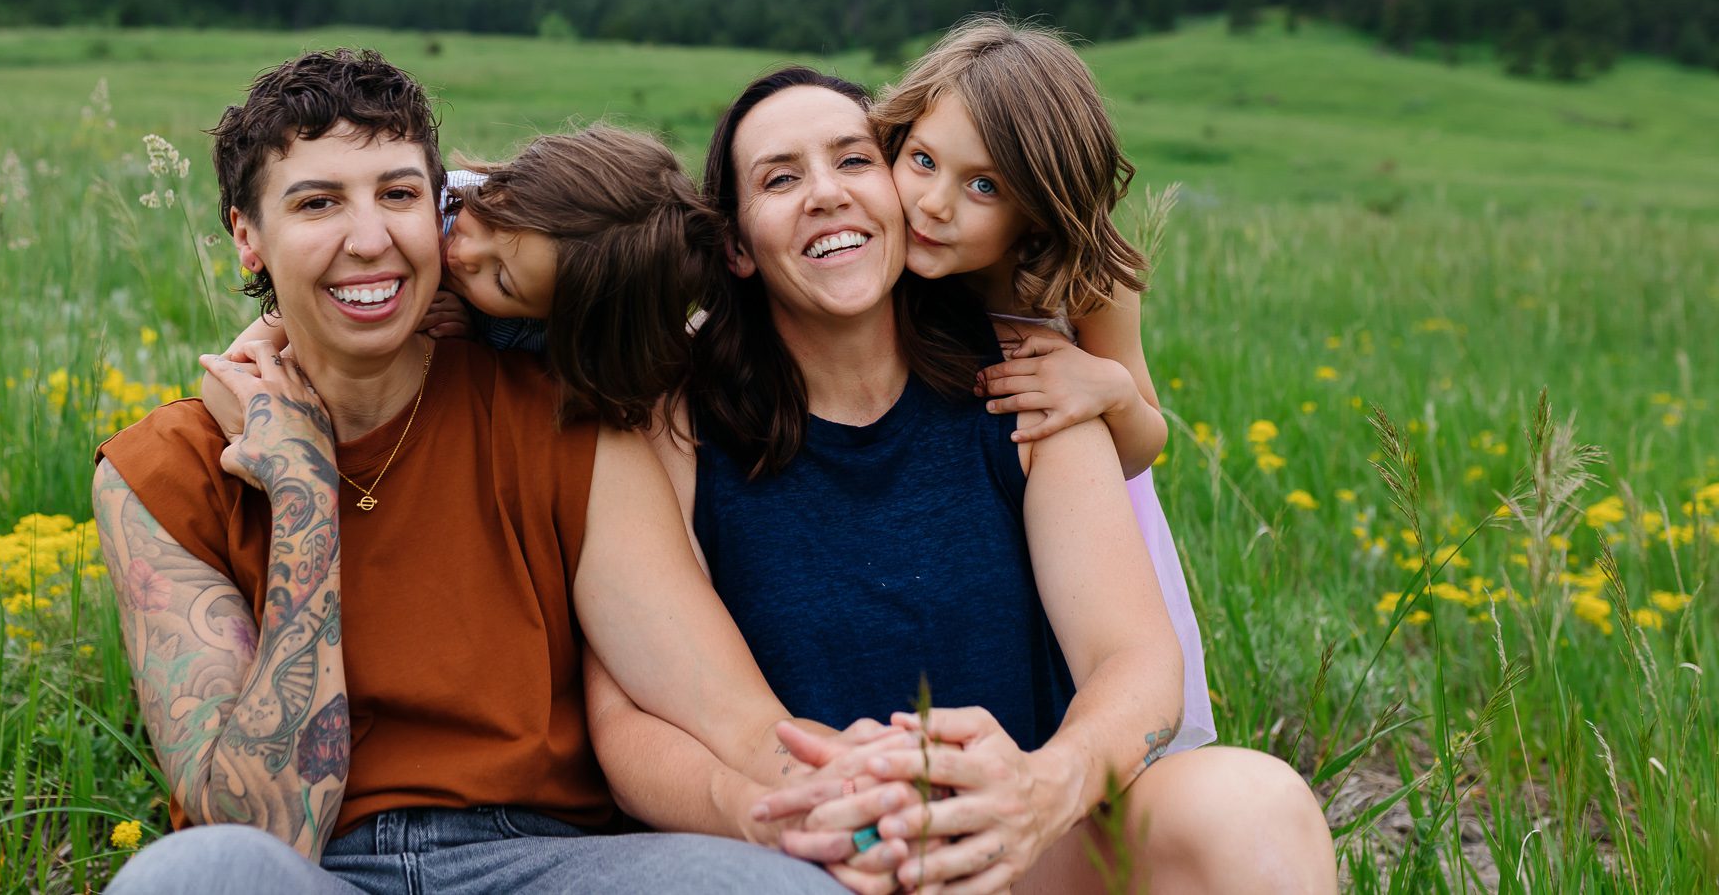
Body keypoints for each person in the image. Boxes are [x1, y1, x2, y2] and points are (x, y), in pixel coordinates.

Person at [94, 49, 841, 894]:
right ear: (248, 238)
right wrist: (303, 490)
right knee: (195, 876)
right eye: (317, 203)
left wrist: (839, 790)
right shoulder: (161, 471)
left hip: (549, 863)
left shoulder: (566, 424)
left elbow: (725, 710)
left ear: (440, 210)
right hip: (321, 868)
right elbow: (265, 828)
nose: (370, 239)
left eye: (400, 195)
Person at [587, 67, 1336, 893]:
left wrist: (1046, 786)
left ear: (897, 195)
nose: (826, 193)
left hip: (1022, 848)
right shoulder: (674, 422)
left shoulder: (1029, 381)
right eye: (780, 177)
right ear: (734, 245)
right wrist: (769, 810)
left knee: (1254, 805)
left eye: (853, 160)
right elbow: (626, 719)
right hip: (797, 859)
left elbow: (1135, 657)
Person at [871, 15, 1215, 754]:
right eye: (924, 160)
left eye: (984, 185)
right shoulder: (884, 248)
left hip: (1084, 524)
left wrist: (1111, 391)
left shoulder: (1089, 284)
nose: (934, 203)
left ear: (1037, 205)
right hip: (966, 523)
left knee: (1078, 686)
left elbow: (1146, 442)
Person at [204, 124, 719, 430]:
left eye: (502, 284)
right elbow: (232, 370)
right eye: (492, 216)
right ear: (507, 180)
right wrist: (247, 388)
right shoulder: (441, 202)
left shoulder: (561, 345)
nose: (465, 254)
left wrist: (475, 337)